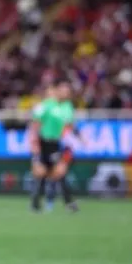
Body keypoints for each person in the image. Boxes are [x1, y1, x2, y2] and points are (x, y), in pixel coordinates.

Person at [30, 80, 81, 213]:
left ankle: (41, 203)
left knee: (57, 172)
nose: (64, 93)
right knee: (44, 172)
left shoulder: (66, 107)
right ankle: (38, 203)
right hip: (43, 142)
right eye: (62, 90)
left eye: (67, 91)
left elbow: (69, 124)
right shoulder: (47, 105)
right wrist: (34, 143)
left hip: (55, 143)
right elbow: (36, 122)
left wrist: (79, 136)